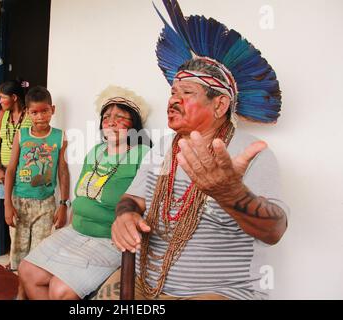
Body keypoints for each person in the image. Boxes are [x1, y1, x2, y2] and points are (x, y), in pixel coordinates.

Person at [96, 0, 288, 300]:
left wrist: (231, 194)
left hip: (218, 292)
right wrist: (125, 215)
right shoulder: (162, 148)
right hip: (146, 282)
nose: (173, 100)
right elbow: (133, 197)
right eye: (173, 92)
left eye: (186, 93)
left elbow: (274, 230)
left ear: (220, 105)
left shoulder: (252, 152)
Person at [18, 85, 152, 300]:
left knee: (60, 290)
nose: (111, 122)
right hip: (76, 230)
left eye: (120, 117)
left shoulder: (143, 154)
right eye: (106, 116)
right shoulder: (96, 151)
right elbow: (81, 194)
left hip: (109, 240)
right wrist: (68, 221)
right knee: (27, 271)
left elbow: (145, 204)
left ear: (134, 124)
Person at [4, 86, 70, 299]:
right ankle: (21, 291)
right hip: (19, 203)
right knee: (20, 251)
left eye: (44, 111)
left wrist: (63, 204)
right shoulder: (21, 136)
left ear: (53, 109)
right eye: (34, 112)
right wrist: (7, 203)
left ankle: (23, 293)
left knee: (38, 254)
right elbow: (11, 169)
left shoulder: (59, 137)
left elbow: (62, 170)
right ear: (28, 112)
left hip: (46, 203)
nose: (40, 116)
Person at [0, 79, 32, 270]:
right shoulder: (1, 115)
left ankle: (28, 259)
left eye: (2, 98)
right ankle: (15, 258)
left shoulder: (30, 115)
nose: (0, 102)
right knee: (11, 215)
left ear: (14, 97)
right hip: (4, 172)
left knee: (26, 213)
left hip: (26, 172)